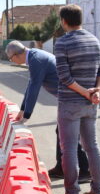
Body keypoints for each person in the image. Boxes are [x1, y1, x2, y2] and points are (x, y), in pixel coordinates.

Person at [5, 41, 90, 183]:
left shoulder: (36, 59)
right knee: (62, 131)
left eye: (10, 58)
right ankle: (61, 168)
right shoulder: (33, 56)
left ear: (15, 55)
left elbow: (34, 88)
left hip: (71, 97)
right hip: (67, 97)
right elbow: (31, 85)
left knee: (70, 133)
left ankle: (85, 171)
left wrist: (26, 114)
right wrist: (22, 109)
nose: (11, 61)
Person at [55, 4, 100, 194]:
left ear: (63, 21)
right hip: (91, 103)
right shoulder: (95, 40)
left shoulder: (62, 42)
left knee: (68, 148)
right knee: (91, 146)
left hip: (70, 102)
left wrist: (86, 92)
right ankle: (97, 192)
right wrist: (97, 91)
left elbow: (64, 77)